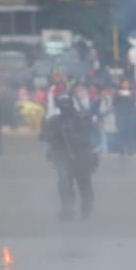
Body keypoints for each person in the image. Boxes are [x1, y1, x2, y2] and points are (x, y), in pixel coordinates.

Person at [42, 91, 99, 220]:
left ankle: (85, 210)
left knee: (83, 185)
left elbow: (92, 135)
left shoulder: (82, 118)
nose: (65, 106)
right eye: (63, 104)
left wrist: (79, 141)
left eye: (66, 103)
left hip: (81, 156)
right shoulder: (55, 121)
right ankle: (68, 209)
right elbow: (46, 136)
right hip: (64, 157)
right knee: (65, 185)